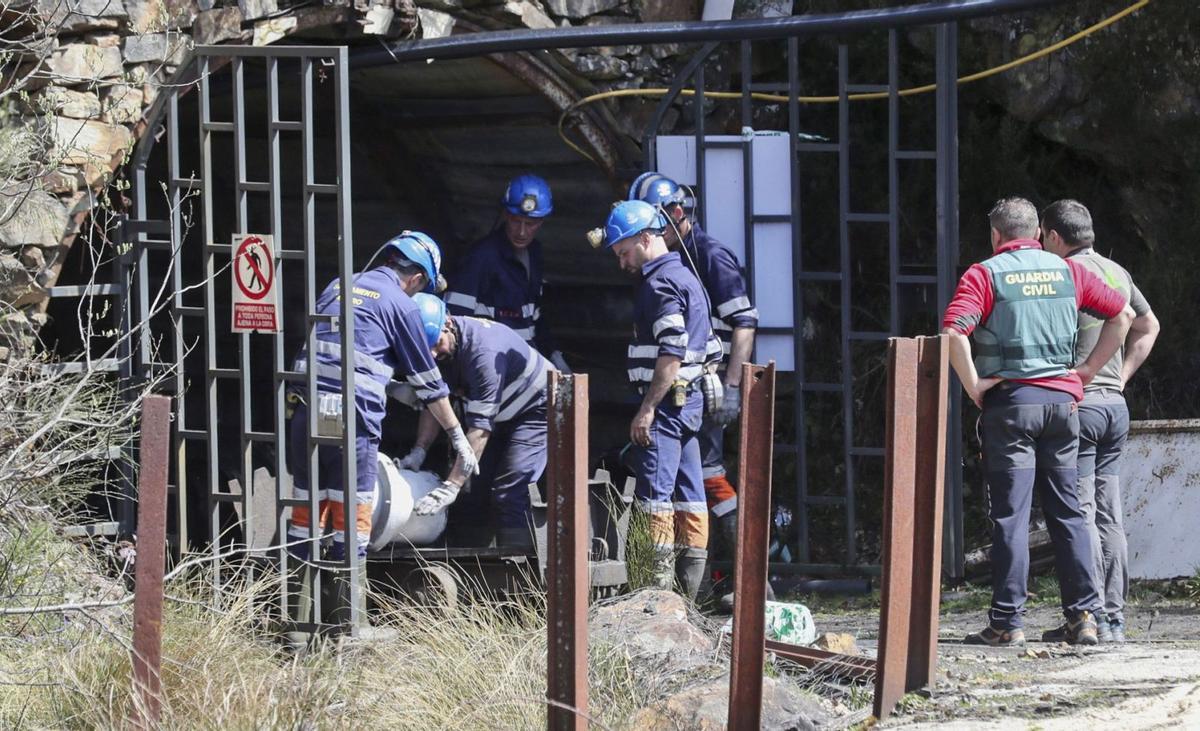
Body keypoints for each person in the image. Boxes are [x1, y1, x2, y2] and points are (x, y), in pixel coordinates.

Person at [941, 197, 1133, 647]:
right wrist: (1087, 372)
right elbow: (1123, 315)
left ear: (996, 235)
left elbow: (953, 332)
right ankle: (1083, 618)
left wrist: (974, 385)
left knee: (1011, 516)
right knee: (1068, 513)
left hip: (1012, 407)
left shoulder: (985, 274)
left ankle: (1007, 622)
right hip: (1063, 409)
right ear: (1037, 234)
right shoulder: (1067, 271)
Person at [286, 231, 479, 634]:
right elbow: (430, 383)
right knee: (354, 517)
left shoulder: (339, 284)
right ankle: (348, 628)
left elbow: (343, 353)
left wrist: (390, 387)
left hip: (306, 413)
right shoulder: (399, 303)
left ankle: (296, 628)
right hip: (352, 419)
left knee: (306, 515)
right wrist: (458, 437)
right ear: (417, 279)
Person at [629, 172, 766, 606]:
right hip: (688, 388)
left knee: (705, 479)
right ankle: (709, 586)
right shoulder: (670, 260)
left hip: (703, 387)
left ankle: (747, 578)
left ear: (676, 213)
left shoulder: (710, 255)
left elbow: (744, 322)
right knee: (698, 480)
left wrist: (732, 385)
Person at [1041, 199, 1159, 644]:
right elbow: (1148, 326)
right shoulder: (1118, 273)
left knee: (1082, 513)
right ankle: (1114, 620)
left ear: (1054, 237)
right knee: (1110, 514)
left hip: (1082, 406)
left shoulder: (1063, 275)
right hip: (1114, 408)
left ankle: (1087, 615)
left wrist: (1085, 372)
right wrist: (1121, 376)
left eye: (1043, 238)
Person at [601, 199, 721, 600]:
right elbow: (710, 348)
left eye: (624, 252)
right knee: (691, 497)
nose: (622, 263)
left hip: (667, 408)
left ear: (645, 238)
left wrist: (647, 409)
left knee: (655, 499)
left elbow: (671, 353)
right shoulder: (686, 277)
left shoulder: (659, 285)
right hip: (689, 407)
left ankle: (656, 598)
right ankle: (691, 598)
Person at [396, 294, 556, 549]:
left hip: (537, 408)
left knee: (511, 489)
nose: (434, 354)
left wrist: (451, 486)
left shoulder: (484, 355)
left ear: (448, 324)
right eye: (427, 350)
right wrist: (419, 450)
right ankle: (478, 561)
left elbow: (480, 429)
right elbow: (435, 401)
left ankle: (520, 564)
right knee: (474, 491)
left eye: (437, 345)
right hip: (501, 412)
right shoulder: (438, 349)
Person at [444, 173, 570, 373]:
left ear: (542, 222)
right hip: (492, 369)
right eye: (515, 221)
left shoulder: (535, 255)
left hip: (526, 366)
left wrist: (554, 354)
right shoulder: (481, 258)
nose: (522, 232)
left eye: (530, 224)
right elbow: (453, 322)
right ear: (505, 215)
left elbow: (536, 319)